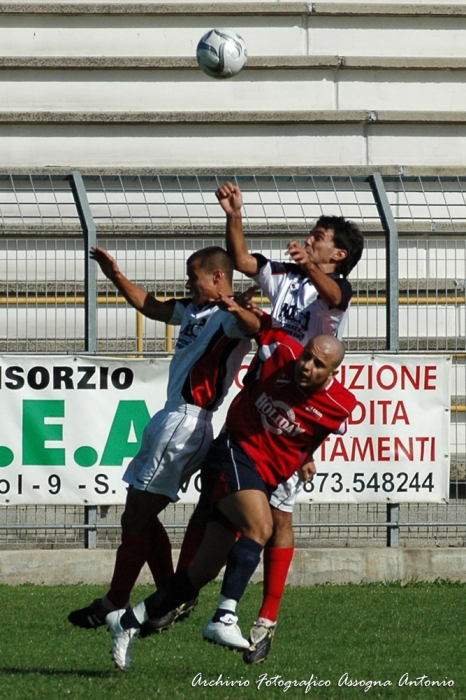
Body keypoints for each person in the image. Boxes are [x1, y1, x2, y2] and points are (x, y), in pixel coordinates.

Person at [105, 303, 357, 672]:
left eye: (319, 364)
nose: (307, 366)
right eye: (307, 357)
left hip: (264, 477)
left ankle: (127, 621)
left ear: (334, 371)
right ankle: (224, 617)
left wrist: (305, 456)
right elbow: (262, 326)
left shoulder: (340, 407)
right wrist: (235, 304)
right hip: (233, 453)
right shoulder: (282, 355)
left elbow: (315, 435)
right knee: (261, 527)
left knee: (200, 573)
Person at [215, 180, 365, 664]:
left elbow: (333, 294)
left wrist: (304, 451)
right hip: (257, 395)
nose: (312, 238)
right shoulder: (284, 272)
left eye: (320, 236)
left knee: (277, 516)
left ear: (337, 253)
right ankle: (188, 595)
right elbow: (242, 261)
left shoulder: (334, 288)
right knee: (218, 492)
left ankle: (264, 619)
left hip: (293, 411)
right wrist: (235, 214)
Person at [68, 245, 252, 632]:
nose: (188, 283)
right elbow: (151, 306)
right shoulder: (194, 309)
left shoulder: (227, 317)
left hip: (187, 422)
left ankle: (119, 602)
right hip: (169, 418)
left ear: (218, 276)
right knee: (137, 512)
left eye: (194, 276)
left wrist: (243, 309)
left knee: (137, 514)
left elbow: (252, 327)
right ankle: (165, 596)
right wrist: (115, 274)